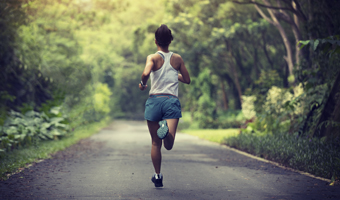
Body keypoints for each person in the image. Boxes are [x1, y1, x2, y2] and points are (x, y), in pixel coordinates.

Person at [139, 24, 191, 188]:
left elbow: (146, 73)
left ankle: (158, 176)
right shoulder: (177, 58)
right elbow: (187, 79)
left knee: (155, 143)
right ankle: (167, 133)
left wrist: (142, 83)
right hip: (170, 101)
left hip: (155, 101)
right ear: (171, 40)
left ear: (155, 41)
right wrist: (175, 74)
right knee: (169, 145)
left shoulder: (152, 58)